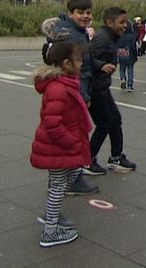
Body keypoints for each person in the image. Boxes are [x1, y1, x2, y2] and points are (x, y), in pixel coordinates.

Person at [31, 41, 91, 248]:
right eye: (78, 60)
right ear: (66, 63)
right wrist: (72, 143)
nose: (82, 63)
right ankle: (49, 231)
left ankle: (51, 216)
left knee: (69, 177)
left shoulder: (64, 83)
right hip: (59, 147)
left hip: (61, 146)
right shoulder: (58, 88)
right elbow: (52, 124)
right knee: (58, 186)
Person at [42, 0, 100, 196]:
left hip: (75, 87)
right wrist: (83, 95)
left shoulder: (77, 31)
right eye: (80, 12)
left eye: (88, 12)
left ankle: (67, 177)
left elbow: (86, 62)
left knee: (74, 133)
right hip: (72, 89)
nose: (86, 16)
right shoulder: (69, 35)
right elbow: (76, 69)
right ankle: (71, 179)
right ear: (70, 13)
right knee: (74, 134)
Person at [86, 7, 137, 176]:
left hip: (102, 86)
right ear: (109, 23)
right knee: (105, 123)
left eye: (125, 22)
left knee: (115, 120)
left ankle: (115, 158)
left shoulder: (109, 37)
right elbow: (86, 59)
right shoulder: (102, 38)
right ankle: (88, 160)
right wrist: (101, 65)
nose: (125, 26)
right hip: (95, 88)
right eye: (121, 22)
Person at [115, 15, 139, 92]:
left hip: (121, 54)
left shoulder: (119, 35)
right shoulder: (132, 36)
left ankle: (123, 79)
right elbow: (133, 47)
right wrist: (135, 56)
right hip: (129, 54)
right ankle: (130, 85)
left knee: (122, 69)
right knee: (130, 70)